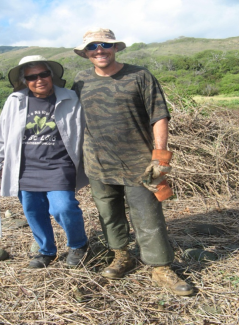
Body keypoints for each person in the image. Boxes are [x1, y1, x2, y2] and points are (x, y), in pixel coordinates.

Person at [72, 28, 193, 296]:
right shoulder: (80, 81)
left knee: (148, 214)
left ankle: (160, 267)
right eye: (93, 47)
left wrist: (160, 155)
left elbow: (159, 115)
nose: (99, 50)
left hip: (139, 161)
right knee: (108, 213)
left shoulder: (140, 75)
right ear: (86, 53)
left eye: (105, 45)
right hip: (97, 162)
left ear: (115, 48)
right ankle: (121, 256)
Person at [0, 55, 88, 268]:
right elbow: (2, 135)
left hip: (59, 164)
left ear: (51, 75)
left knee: (64, 207)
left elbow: (85, 128)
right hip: (25, 167)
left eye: (43, 74)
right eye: (32, 77)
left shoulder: (70, 98)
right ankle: (46, 251)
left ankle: (78, 245)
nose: (39, 80)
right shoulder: (15, 101)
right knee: (33, 211)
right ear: (24, 81)